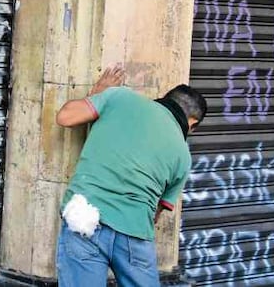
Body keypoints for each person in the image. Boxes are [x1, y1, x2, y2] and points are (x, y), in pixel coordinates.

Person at [54, 64, 206, 287]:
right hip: (134, 233)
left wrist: (98, 92)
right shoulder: (183, 157)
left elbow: (65, 117)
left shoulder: (119, 98)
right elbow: (156, 213)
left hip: (84, 217)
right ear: (192, 123)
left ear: (164, 98)